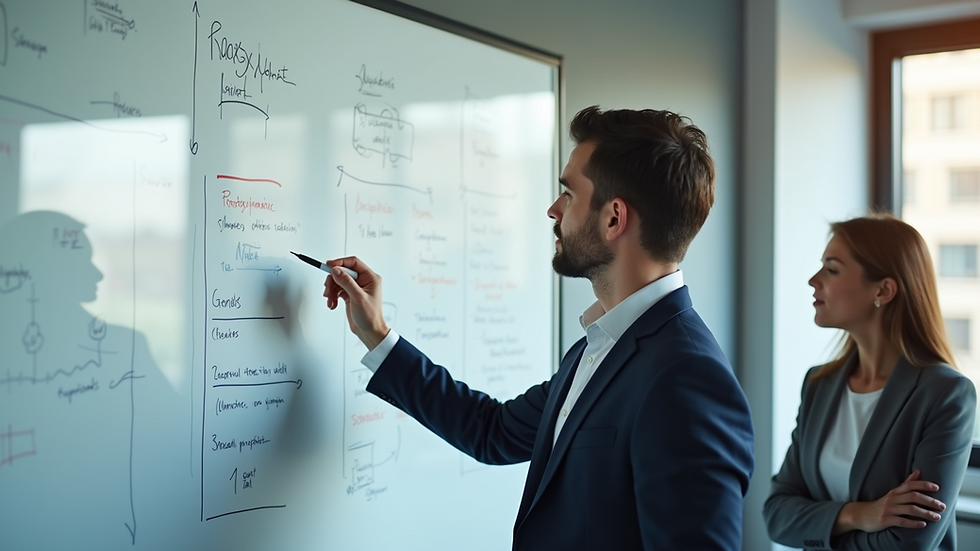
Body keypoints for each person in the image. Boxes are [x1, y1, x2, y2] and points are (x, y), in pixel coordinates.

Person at [324, 106, 755, 550]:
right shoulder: (600, 348)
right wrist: (376, 333)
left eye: (568, 194)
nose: (553, 209)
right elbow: (492, 431)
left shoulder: (687, 379)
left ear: (614, 218)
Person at [764, 214, 977, 551]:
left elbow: (911, 542)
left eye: (831, 269)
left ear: (883, 289)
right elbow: (776, 515)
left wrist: (822, 526)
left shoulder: (945, 395)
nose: (813, 280)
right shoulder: (819, 385)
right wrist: (860, 515)